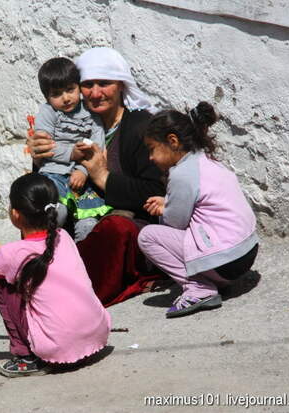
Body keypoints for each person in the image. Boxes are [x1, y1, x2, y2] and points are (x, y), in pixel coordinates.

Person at [27, 47, 165, 307]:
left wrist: (102, 177)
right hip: (73, 218)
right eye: (88, 84)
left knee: (114, 228)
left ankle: (77, 294)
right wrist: (39, 157)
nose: (96, 92)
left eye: (105, 83)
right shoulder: (68, 120)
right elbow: (53, 175)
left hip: (126, 228)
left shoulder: (140, 127)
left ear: (121, 85)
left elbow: (154, 191)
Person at [0, 173, 110, 378]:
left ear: (16, 214)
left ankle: (26, 356)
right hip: (96, 335)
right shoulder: (63, 237)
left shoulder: (13, 255)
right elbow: (23, 259)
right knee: (12, 274)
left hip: (58, 350)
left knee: (2, 285)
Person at [138, 102, 259, 318]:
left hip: (226, 262)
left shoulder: (182, 174)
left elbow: (175, 223)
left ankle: (199, 289)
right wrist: (168, 202)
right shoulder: (206, 161)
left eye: (152, 149)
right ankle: (211, 280)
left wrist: (162, 210)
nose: (150, 158)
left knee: (147, 237)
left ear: (172, 141)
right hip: (246, 254)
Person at [33, 57, 111, 242]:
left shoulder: (91, 113)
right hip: (52, 173)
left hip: (83, 179)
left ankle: (81, 258)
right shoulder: (48, 112)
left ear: (78, 87)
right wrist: (71, 153)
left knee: (88, 223)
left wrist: (83, 171)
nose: (66, 98)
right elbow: (45, 147)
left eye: (70, 90)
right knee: (55, 214)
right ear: (47, 97)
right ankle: (48, 251)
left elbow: (97, 146)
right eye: (57, 94)